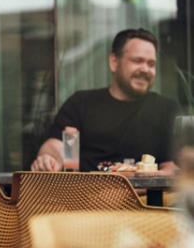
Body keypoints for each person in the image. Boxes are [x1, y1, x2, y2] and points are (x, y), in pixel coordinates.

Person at [31, 28, 180, 172]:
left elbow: (173, 169)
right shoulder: (80, 103)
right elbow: (56, 146)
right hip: (85, 196)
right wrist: (49, 159)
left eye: (151, 64)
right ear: (114, 62)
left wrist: (139, 182)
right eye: (137, 61)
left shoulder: (166, 110)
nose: (145, 69)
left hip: (142, 197)